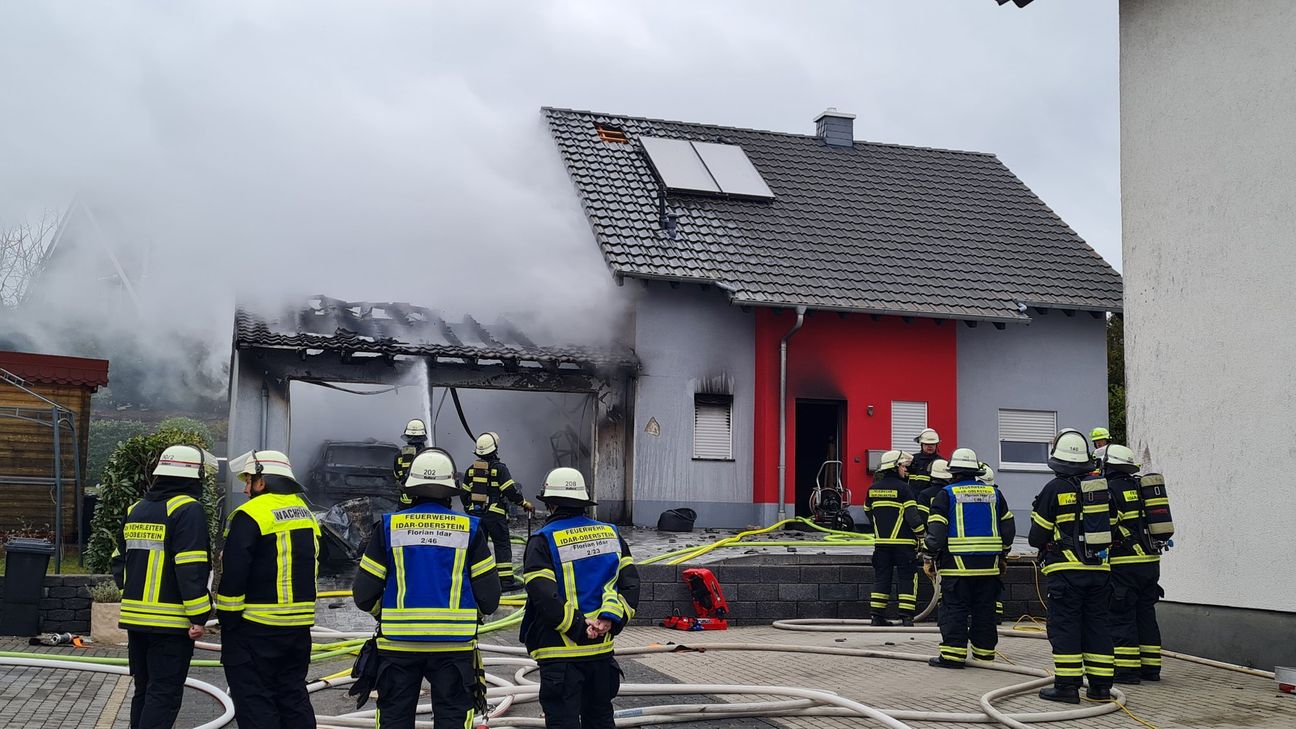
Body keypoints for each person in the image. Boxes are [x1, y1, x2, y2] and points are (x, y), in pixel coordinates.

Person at [353, 448, 502, 729]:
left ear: (410, 489)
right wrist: (468, 613)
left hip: (397, 645)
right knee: (453, 719)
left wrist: (385, 613)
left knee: (394, 718)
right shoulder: (470, 529)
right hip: (454, 648)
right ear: (451, 491)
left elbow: (363, 595)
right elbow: (490, 599)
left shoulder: (388, 527)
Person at [521, 468, 640, 729]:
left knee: (563, 722)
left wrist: (579, 627)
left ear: (550, 503)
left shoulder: (543, 540)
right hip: (601, 654)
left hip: (559, 654)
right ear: (583, 502)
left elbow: (543, 596)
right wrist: (609, 620)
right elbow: (630, 585)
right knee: (600, 719)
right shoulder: (611, 534)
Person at [111, 445, 215, 729]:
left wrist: (133, 596)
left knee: (143, 690)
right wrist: (198, 616)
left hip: (135, 619)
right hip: (170, 624)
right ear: (194, 476)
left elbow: (118, 562)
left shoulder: (136, 509)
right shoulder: (187, 510)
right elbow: (190, 569)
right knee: (164, 694)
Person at [216, 450, 321, 729]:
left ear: (262, 482)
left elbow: (234, 573)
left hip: (255, 628)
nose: (245, 487)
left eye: (249, 480)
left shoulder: (251, 514)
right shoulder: (305, 513)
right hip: (298, 628)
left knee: (255, 702)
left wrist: (228, 621)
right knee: (293, 697)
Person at [1028, 429, 1116, 703]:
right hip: (1099, 571)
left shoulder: (1054, 489)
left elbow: (1037, 536)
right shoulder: (1101, 490)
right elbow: (1112, 526)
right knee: (1097, 626)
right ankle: (1101, 687)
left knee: (1066, 627)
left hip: (1065, 573)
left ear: (1058, 460)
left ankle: (1067, 687)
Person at [923, 448, 1014, 669]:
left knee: (955, 609)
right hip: (989, 569)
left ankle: (953, 656)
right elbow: (1008, 528)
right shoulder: (994, 494)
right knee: (985, 611)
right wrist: (1003, 555)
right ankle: (984, 656)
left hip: (957, 568)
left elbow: (936, 533)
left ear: (953, 473)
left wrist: (928, 557)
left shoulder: (946, 495)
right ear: (975, 471)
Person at [1100, 444, 1170, 684]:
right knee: (1145, 614)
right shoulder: (1142, 487)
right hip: (1150, 562)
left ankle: (1126, 671)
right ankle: (1151, 669)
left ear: (1107, 465)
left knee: (1121, 616)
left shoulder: (1110, 491)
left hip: (1124, 564)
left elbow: (1105, 527)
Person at [461, 431, 534, 589]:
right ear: (494, 450)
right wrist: (524, 503)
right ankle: (505, 581)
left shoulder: (470, 470)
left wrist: (470, 509)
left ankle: (476, 580)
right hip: (495, 516)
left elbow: (464, 494)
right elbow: (510, 491)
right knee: (502, 545)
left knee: (478, 546)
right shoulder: (500, 469)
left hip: (476, 516)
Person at [864, 450, 925, 626]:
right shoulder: (904, 488)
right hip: (904, 545)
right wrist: (921, 535)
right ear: (895, 466)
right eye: (903, 466)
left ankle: (877, 616)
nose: (905, 470)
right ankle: (906, 618)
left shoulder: (872, 489)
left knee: (882, 578)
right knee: (907, 578)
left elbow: (868, 512)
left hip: (881, 544)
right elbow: (913, 517)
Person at [907, 428, 943, 493]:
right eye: (926, 444)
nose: (930, 446)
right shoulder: (912, 459)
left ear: (936, 445)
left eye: (933, 444)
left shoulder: (940, 462)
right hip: (912, 498)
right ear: (921, 444)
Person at [393, 419, 428, 484]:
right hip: (425, 492)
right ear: (423, 437)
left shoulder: (399, 455)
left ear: (407, 437)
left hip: (406, 492)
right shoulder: (429, 455)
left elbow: (396, 476)